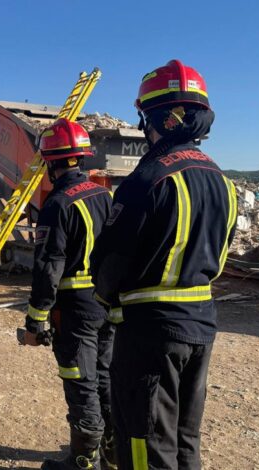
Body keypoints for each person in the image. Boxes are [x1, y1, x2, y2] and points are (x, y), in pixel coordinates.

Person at [90, 60, 238, 470]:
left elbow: (110, 262)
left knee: (145, 443)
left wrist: (106, 301)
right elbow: (220, 256)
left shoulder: (148, 178)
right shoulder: (223, 182)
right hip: (202, 325)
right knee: (185, 440)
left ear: (154, 118)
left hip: (150, 334)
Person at [22, 118, 117, 469]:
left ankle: (82, 461)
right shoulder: (105, 196)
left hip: (76, 311)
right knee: (105, 377)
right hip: (107, 304)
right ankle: (113, 451)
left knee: (81, 382)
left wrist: (35, 320)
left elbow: (48, 267)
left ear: (51, 162)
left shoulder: (58, 204)